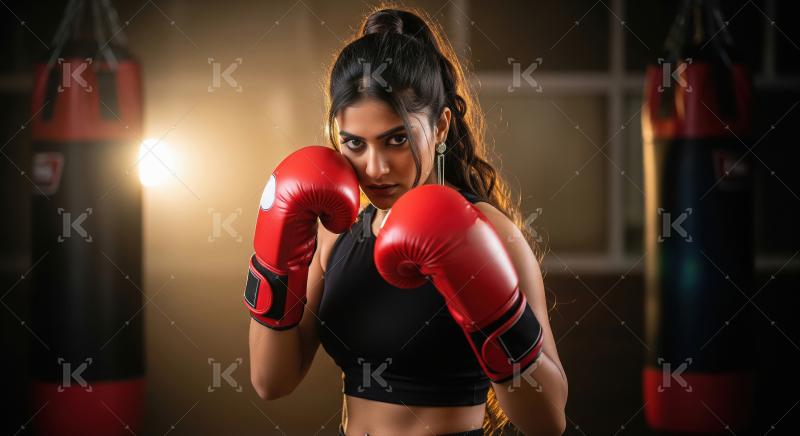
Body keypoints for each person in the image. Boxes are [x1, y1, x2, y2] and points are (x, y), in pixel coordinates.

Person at [245, 7, 568, 435]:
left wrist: (495, 316)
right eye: (355, 144)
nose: (375, 167)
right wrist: (276, 260)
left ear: (440, 128)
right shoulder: (333, 235)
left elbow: (549, 421)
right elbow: (271, 381)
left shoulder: (489, 231)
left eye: (396, 139)